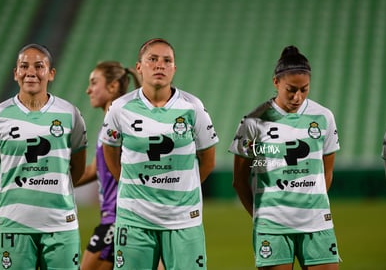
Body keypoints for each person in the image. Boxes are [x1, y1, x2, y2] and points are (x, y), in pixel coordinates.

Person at [100, 38, 219, 269]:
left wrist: (182, 191)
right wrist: (133, 186)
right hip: (134, 219)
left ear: (174, 68)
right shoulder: (120, 108)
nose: (159, 65)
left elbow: (208, 161)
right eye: (152, 59)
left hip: (184, 218)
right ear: (139, 67)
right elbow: (110, 154)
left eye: (167, 61)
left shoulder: (192, 106)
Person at [0, 43, 87, 269]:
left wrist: (55, 192)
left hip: (61, 225)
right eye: (24, 66)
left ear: (51, 73)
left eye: (39, 66)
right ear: (16, 72)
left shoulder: (70, 114)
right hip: (13, 225)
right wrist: (9, 195)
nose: (31, 72)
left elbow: (78, 166)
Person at [228, 46, 341, 269]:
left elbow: (326, 172)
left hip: (317, 223)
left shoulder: (323, 117)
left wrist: (310, 205)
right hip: (272, 227)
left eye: (304, 89)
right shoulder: (253, 122)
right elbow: (239, 180)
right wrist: (261, 217)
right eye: (291, 89)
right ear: (276, 82)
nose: (297, 96)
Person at [75, 61, 141, 270]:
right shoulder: (110, 124)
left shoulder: (120, 123)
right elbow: (93, 170)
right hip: (117, 218)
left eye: (94, 83)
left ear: (112, 87)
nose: (88, 90)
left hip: (119, 218)